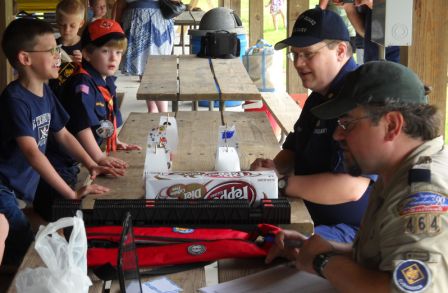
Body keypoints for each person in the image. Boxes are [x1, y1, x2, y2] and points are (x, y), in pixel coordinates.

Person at [266, 61, 447, 292]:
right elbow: (386, 260)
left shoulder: (422, 193)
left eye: (347, 124)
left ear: (391, 125)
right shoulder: (397, 172)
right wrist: (323, 249)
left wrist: (323, 262)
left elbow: (407, 289)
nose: (337, 135)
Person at [250, 7, 376, 243]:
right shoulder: (319, 95)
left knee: (265, 244)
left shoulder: (360, 99)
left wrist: (279, 183)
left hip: (354, 232)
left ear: (340, 51)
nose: (298, 63)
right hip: (312, 215)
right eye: (295, 54)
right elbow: (293, 149)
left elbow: (350, 187)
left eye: (308, 54)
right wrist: (271, 170)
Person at [0, 18, 117, 265]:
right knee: (21, 244)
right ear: (25, 58)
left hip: (17, 188)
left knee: (25, 246)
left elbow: (62, 134)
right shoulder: (15, 100)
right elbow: (33, 153)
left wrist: (93, 162)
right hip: (3, 186)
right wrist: (71, 193)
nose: (59, 55)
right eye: (52, 50)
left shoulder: (45, 92)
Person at [34, 18, 140, 221]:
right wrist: (98, 159)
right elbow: (82, 127)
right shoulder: (82, 84)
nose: (114, 58)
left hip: (78, 159)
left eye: (118, 52)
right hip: (60, 163)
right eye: (105, 51)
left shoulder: (105, 79)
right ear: (87, 54)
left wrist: (114, 140)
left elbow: (107, 116)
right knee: (61, 215)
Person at [114, 0, 175, 113]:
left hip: (152, 22)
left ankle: (163, 113)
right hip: (140, 23)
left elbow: (120, 4)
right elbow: (120, 4)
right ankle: (155, 110)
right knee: (146, 71)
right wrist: (117, 27)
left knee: (154, 71)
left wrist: (117, 25)